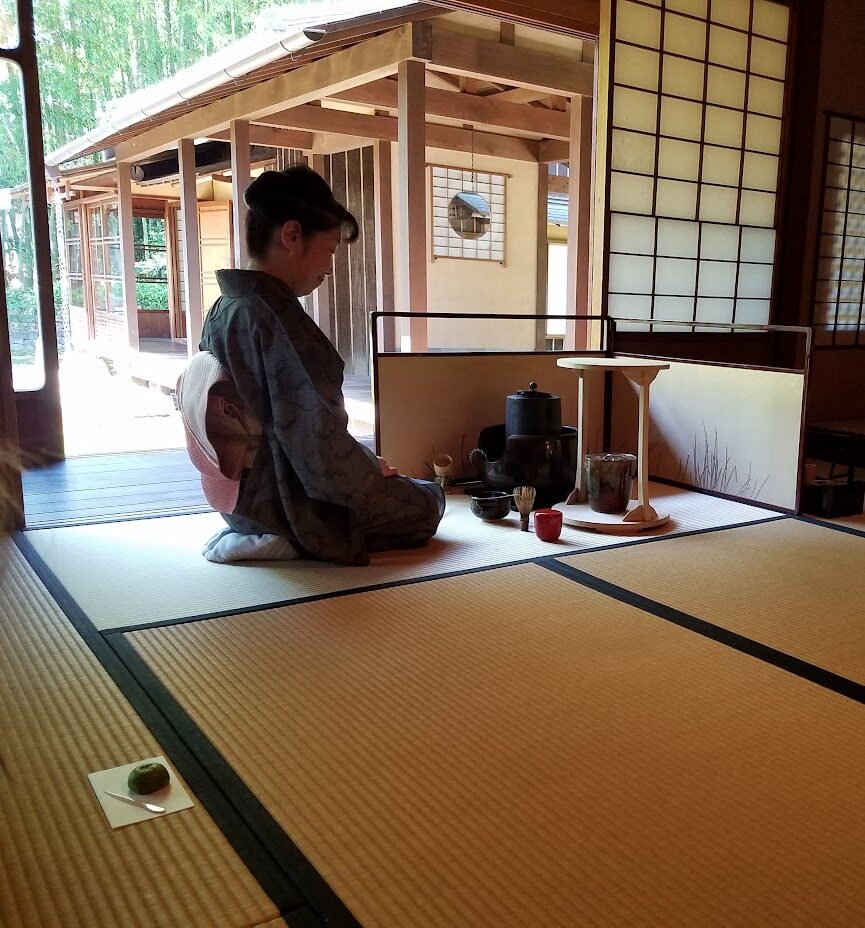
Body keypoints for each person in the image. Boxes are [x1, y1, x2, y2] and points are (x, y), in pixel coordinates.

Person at [196, 166, 444, 566]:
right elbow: (315, 443)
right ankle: (292, 539)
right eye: (329, 250)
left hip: (236, 498)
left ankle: (264, 531)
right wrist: (370, 472)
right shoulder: (272, 319)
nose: (329, 268)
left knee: (401, 483)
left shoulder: (227, 306)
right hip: (285, 499)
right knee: (428, 502)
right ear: (292, 235)